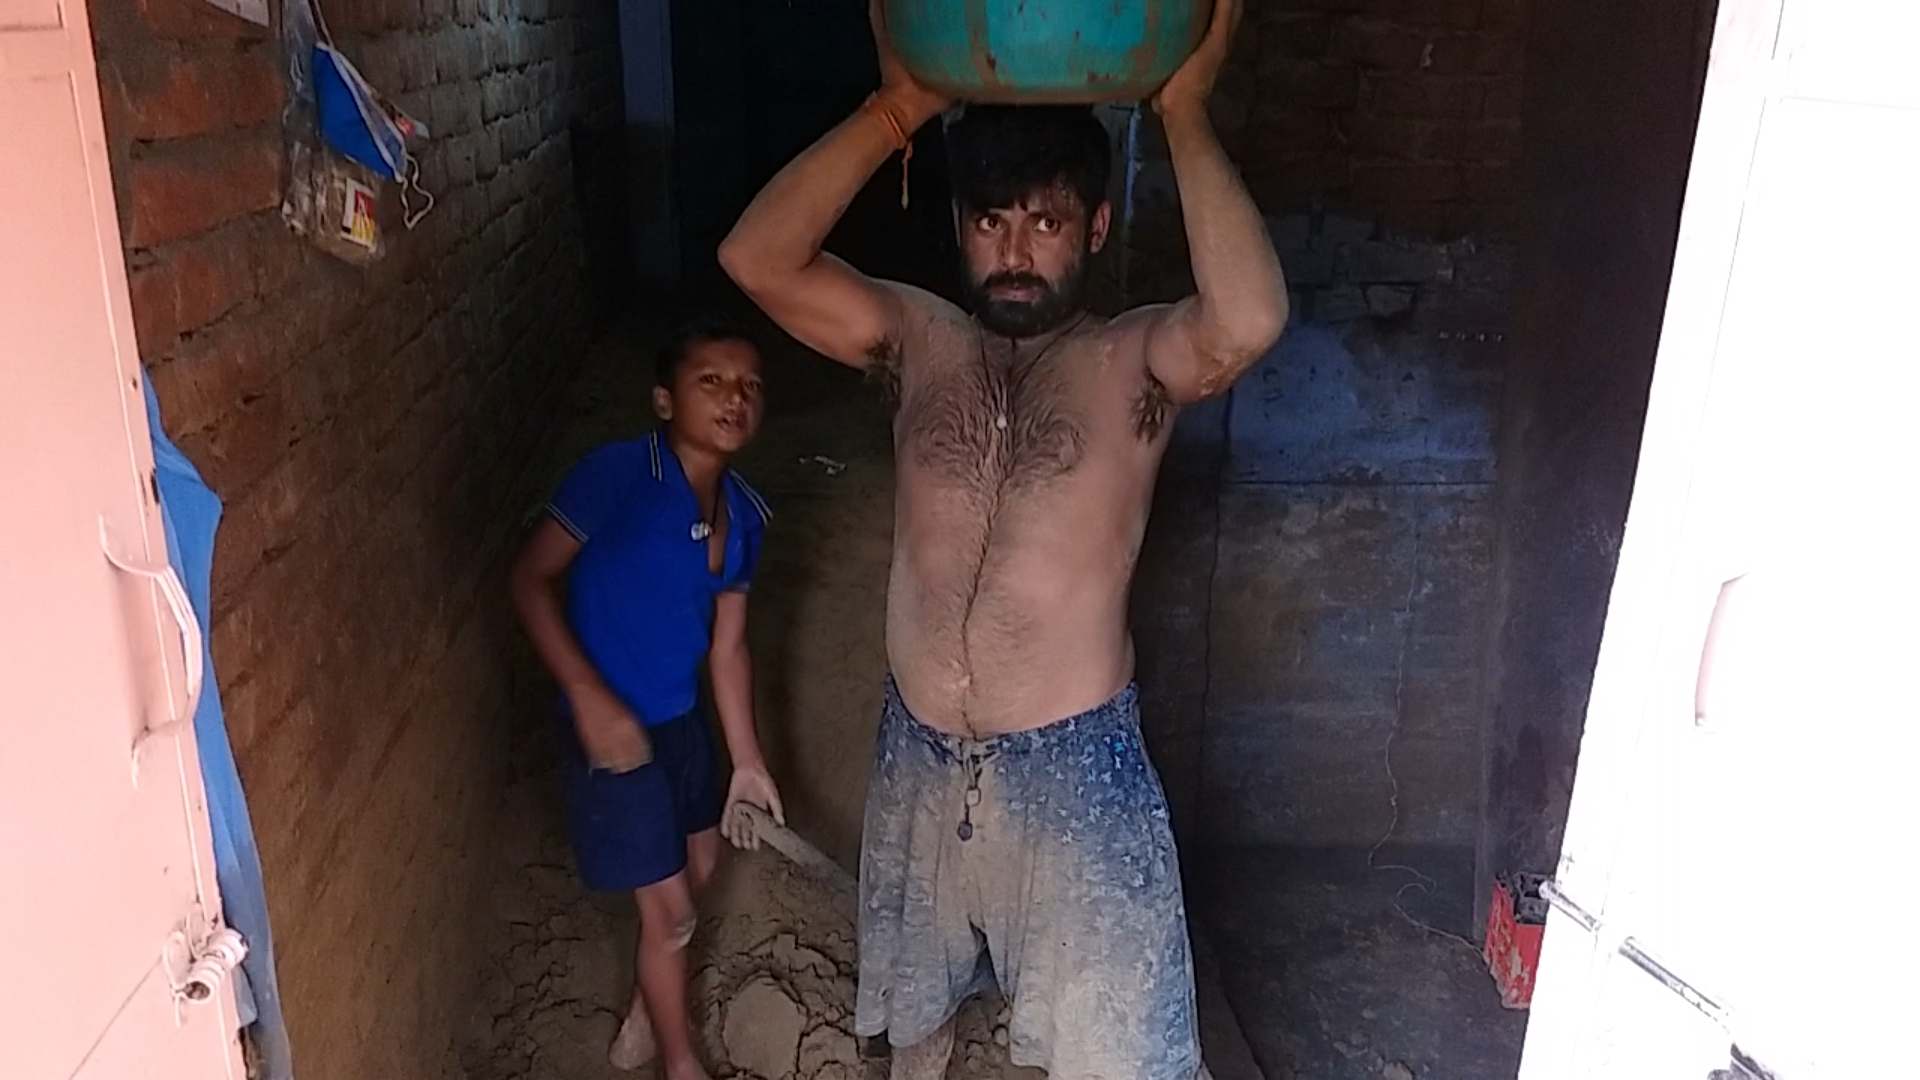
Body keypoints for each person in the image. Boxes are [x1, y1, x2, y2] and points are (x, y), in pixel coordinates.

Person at [716, 1, 1285, 1078]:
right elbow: (756, 257)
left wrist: (1184, 110)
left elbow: (1249, 319)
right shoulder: (916, 342)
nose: (1014, 250)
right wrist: (896, 111)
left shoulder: (1136, 364)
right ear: (960, 229)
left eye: (1047, 221)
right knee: (910, 1020)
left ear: (1097, 228)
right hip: (919, 756)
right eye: (990, 222)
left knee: (1118, 1058)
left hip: (1076, 778)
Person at [507, 318, 786, 1079]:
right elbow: (528, 581)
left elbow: (727, 646)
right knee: (672, 917)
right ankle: (678, 1060)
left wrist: (749, 761)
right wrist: (588, 699)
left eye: (751, 386)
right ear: (665, 400)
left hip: (680, 724)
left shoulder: (748, 514)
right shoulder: (616, 477)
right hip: (612, 734)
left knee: (696, 877)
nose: (735, 398)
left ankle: (645, 998)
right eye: (712, 382)